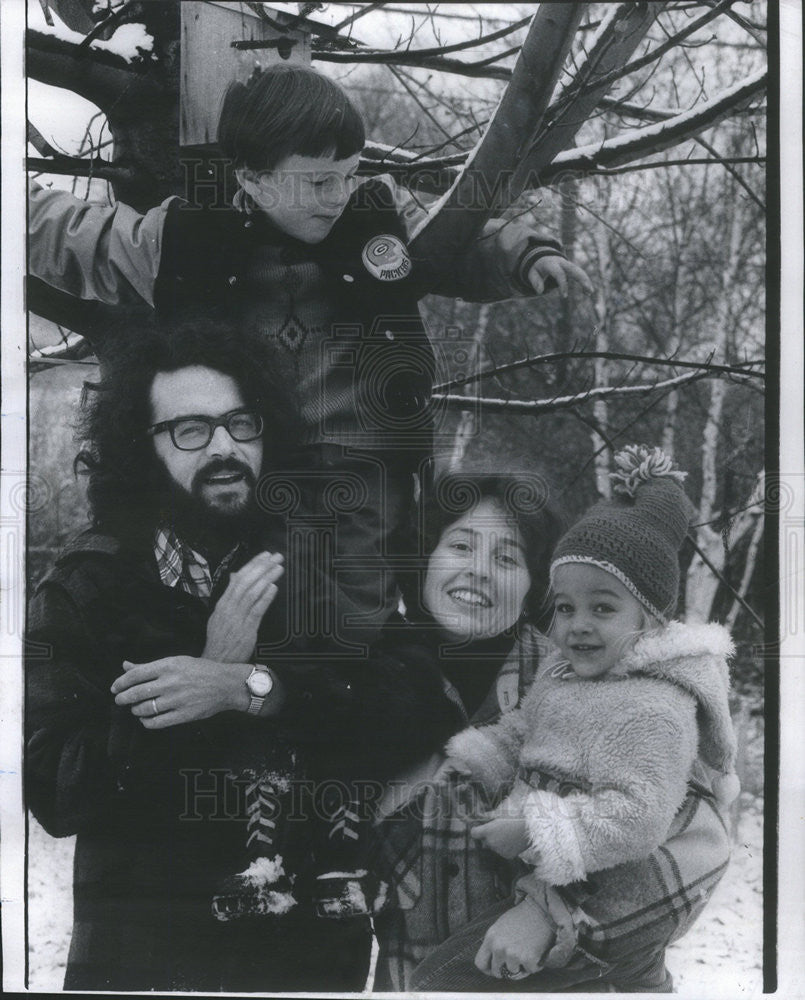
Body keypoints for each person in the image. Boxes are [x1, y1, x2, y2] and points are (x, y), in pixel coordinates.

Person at [28, 63, 593, 656]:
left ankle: (353, 693)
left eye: (348, 176)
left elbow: (460, 234)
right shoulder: (188, 236)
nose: (338, 196)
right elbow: (80, 236)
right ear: (253, 178)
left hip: (366, 463)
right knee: (258, 599)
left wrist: (527, 256)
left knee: (356, 618)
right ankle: (264, 700)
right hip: (255, 468)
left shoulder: (379, 214)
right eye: (318, 181)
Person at [24, 317, 461, 992]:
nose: (225, 447)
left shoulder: (315, 562)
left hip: (307, 960)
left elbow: (422, 700)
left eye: (242, 423)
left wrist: (252, 687)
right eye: (190, 430)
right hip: (148, 961)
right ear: (141, 449)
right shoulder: (90, 585)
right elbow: (54, 788)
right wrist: (194, 678)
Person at [369, 467, 736, 994]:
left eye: (506, 557)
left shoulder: (613, 682)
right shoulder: (368, 680)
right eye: (460, 545)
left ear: (532, 582)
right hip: (412, 979)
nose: (478, 572)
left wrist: (551, 914)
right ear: (424, 557)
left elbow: (695, 847)